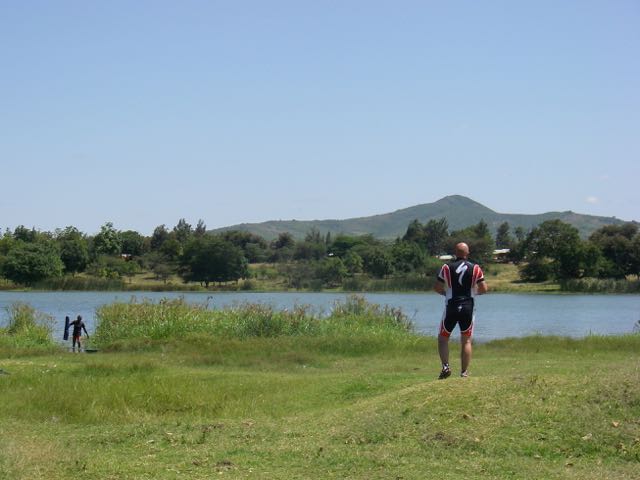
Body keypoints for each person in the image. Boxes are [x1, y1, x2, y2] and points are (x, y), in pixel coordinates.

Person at [434, 242, 488, 379]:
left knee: (443, 338)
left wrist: (445, 293)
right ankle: (464, 372)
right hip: (468, 307)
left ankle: (445, 366)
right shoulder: (475, 268)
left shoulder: (446, 267)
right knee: (466, 340)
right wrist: (475, 293)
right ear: (467, 253)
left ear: (455, 253)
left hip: (451, 306)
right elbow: (483, 288)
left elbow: (437, 287)